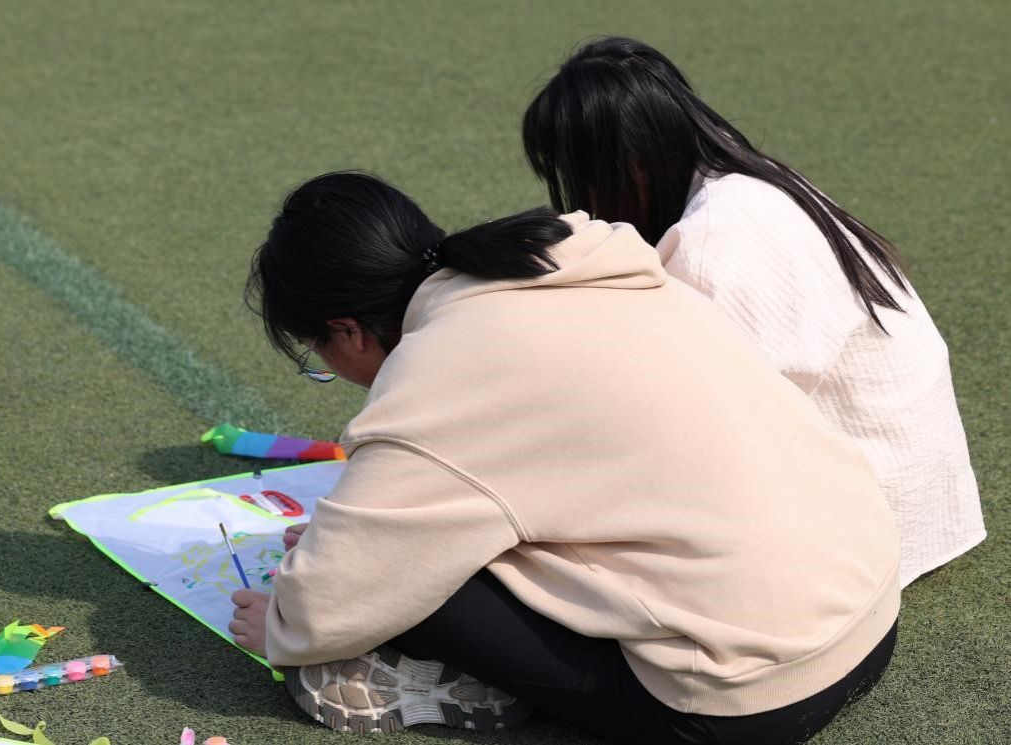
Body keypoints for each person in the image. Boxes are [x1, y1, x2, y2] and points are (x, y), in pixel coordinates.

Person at [229, 171, 899, 744]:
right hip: (868, 604)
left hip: (746, 698)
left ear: (346, 330)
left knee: (420, 581)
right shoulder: (567, 259)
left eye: (318, 356)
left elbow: (332, 602)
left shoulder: (438, 371)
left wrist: (286, 621)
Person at [521, 37, 984, 586]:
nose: (583, 204)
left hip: (872, 522)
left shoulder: (714, 237)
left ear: (630, 166)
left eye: (582, 180)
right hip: (920, 493)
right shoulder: (752, 182)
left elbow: (688, 424)